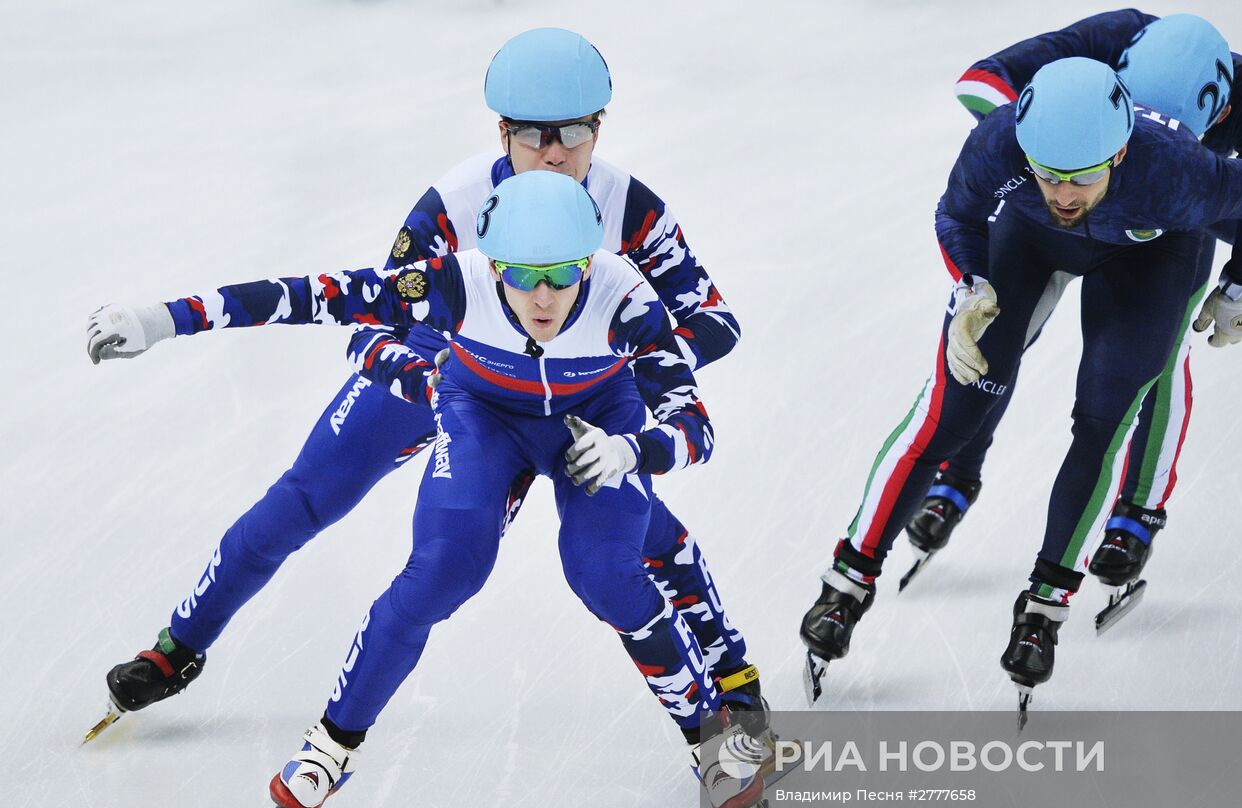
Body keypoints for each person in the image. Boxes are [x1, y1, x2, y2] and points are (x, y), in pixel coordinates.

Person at [83, 28, 765, 741]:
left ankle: (730, 674)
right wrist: (429, 379)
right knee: (302, 499)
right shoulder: (454, 203)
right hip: (448, 377)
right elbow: (369, 328)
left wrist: (615, 360)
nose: (555, 152)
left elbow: (714, 322)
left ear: (600, 127)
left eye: (573, 132)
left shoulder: (633, 210)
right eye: (533, 135)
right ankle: (178, 645)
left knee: (621, 540)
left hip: (577, 398)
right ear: (502, 131)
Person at [88, 170, 772, 808]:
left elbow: (696, 423)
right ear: (491, 260)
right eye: (522, 274)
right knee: (444, 566)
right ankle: (330, 745)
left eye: (564, 274)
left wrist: (635, 450)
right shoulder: (450, 273)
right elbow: (315, 301)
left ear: (590, 259)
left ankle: (713, 740)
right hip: (480, 411)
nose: (543, 297)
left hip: (595, 419)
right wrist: (163, 319)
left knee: (605, 571)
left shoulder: (625, 300)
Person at [799, 56, 1242, 713]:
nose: (1062, 193)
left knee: (1102, 416)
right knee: (951, 407)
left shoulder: (1178, 173)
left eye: (1080, 178)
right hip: (1029, 242)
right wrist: (970, 281)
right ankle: (848, 580)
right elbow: (956, 212)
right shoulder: (1001, 142)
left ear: (1117, 153)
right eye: (1048, 175)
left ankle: (1044, 603)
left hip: (1152, 253)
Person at [905, 13, 1242, 614]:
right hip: (1078, 182)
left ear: (1219, 115)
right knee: (999, 337)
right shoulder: (1115, 39)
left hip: (1173, 209)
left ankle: (1137, 509)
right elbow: (983, 83)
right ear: (1122, 83)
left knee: (1159, 356)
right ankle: (961, 466)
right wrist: (1027, 150)